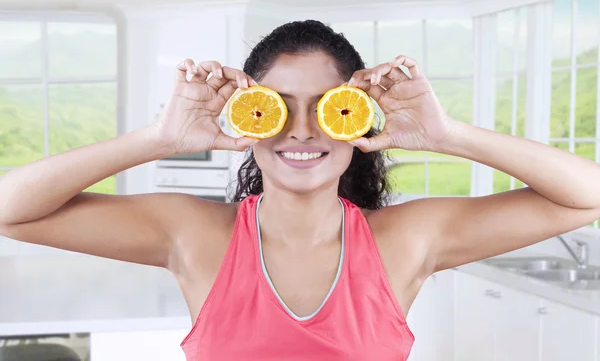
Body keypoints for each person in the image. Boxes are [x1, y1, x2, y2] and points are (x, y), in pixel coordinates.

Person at [1, 20, 599, 361]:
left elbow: (586, 195)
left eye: (329, 109)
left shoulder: (408, 239)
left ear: (357, 118)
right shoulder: (194, 235)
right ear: (245, 117)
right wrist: (158, 139)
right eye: (274, 109)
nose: (303, 129)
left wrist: (448, 135)